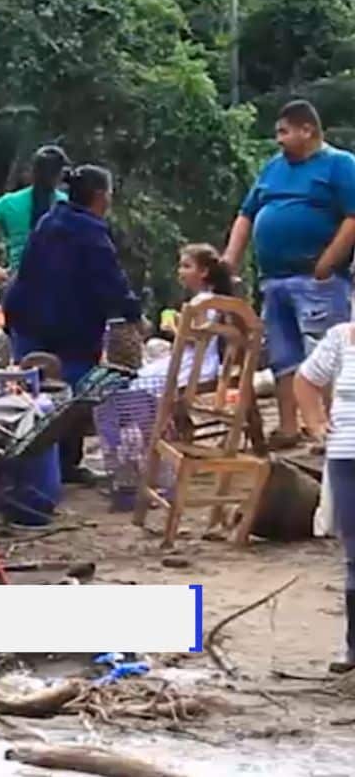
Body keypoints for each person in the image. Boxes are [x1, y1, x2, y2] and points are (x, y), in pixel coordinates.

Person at [223, 100, 355, 450]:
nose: (278, 139)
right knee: (284, 357)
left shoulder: (340, 165)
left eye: (284, 131)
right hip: (274, 278)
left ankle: (331, 429)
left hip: (316, 279)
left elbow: (353, 217)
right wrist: (229, 260)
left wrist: (328, 262)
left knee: (323, 355)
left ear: (307, 130)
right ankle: (288, 427)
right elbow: (246, 214)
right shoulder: (273, 168)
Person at [3, 165, 143, 484]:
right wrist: (134, 315)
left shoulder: (49, 220)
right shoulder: (90, 231)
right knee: (71, 399)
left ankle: (30, 466)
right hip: (67, 329)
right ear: (99, 196)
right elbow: (111, 281)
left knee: (33, 396)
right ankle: (64, 466)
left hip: (28, 322)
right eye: (108, 193)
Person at [294, 323, 355, 673]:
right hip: (347, 457)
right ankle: (353, 649)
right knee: (354, 557)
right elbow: (305, 380)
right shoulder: (339, 339)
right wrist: (315, 423)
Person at [131, 244, 235, 394]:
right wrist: (180, 320)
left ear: (204, 272)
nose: (180, 272)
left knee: (140, 383)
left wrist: (173, 329)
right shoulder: (212, 299)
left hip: (196, 368)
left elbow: (198, 340)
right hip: (204, 364)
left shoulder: (202, 302)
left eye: (186, 266)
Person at [0, 145, 71, 285]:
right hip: (58, 285)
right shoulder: (67, 204)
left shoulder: (10, 203)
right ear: (60, 175)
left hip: (19, 286)